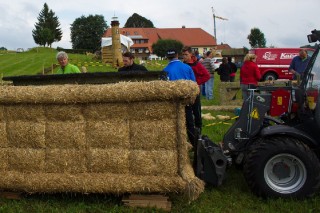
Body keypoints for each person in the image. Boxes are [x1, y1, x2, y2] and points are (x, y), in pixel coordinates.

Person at [163, 49, 197, 146]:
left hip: (173, 102)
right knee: (190, 124)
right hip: (186, 100)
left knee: (175, 124)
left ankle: (177, 144)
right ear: (177, 55)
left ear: (167, 57)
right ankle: (194, 144)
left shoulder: (165, 70)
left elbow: (164, 89)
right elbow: (194, 85)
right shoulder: (187, 67)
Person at [182, 46, 210, 136]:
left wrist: (196, 83)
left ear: (191, 54)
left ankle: (199, 133)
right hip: (185, 92)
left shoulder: (197, 65)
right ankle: (190, 133)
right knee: (187, 113)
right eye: (183, 55)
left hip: (195, 91)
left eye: (186, 55)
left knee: (197, 112)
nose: (184, 57)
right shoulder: (183, 65)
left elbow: (206, 75)